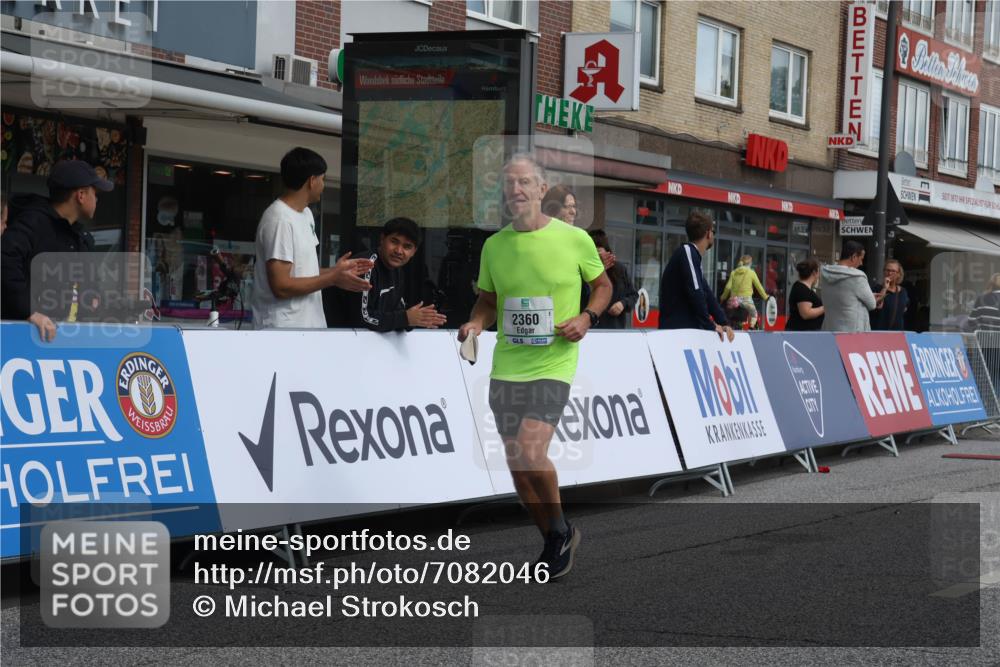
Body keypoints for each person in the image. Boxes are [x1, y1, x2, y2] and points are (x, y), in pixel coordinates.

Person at [458, 153, 611, 580]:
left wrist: (587, 318)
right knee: (517, 467)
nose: (516, 190)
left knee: (530, 450)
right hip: (508, 363)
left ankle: (559, 530)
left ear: (543, 190)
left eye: (525, 182)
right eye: (509, 184)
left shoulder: (574, 238)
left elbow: (602, 286)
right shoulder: (495, 246)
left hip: (554, 361)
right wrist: (475, 322)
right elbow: (488, 301)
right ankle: (555, 537)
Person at [252, 147, 372, 329]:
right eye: (323, 179)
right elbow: (281, 286)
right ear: (312, 181)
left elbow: (303, 273)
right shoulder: (279, 219)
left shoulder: (306, 214)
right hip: (282, 331)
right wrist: (333, 278)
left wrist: (336, 271)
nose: (323, 185)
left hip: (308, 327)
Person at [1, 160, 112, 342]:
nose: (97, 199)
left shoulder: (80, 236)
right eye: (95, 192)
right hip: (24, 341)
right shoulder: (33, 223)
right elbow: (4, 260)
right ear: (81, 195)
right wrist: (28, 311)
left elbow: (88, 288)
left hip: (64, 340)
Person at [342, 217, 447, 332]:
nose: (398, 251)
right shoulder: (365, 266)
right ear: (382, 239)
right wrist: (405, 318)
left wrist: (416, 319)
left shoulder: (397, 270)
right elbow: (362, 318)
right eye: (394, 242)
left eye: (407, 247)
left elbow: (395, 312)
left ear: (414, 252)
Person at [657, 211, 734, 342]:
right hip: (676, 333)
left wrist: (724, 322)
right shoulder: (687, 251)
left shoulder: (693, 257)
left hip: (685, 331)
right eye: (713, 232)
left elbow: (707, 294)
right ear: (709, 233)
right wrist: (709, 324)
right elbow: (696, 292)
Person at [820, 240, 876, 333]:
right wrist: (873, 297)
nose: (861, 263)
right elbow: (872, 304)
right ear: (854, 257)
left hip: (830, 329)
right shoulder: (857, 277)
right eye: (861, 258)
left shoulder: (826, 274)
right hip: (852, 333)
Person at [586, 229, 638, 329]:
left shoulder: (619, 269)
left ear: (607, 251)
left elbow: (633, 295)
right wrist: (600, 272)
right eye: (593, 253)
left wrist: (623, 304)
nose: (597, 257)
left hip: (615, 329)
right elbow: (584, 297)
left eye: (599, 252)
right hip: (590, 329)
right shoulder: (583, 271)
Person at [719, 254, 769, 328]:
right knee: (754, 314)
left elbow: (728, 287)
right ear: (750, 263)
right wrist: (765, 297)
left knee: (731, 316)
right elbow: (759, 287)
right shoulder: (751, 272)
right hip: (747, 300)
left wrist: (723, 297)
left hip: (734, 300)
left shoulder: (734, 272)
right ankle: (752, 327)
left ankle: (734, 325)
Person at [786, 258, 825, 331]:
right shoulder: (802, 289)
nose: (818, 276)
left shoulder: (803, 288)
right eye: (818, 272)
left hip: (805, 333)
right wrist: (824, 308)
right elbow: (806, 313)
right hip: (801, 334)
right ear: (814, 272)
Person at [870, 259, 909, 331]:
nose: (889, 273)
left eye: (893, 271)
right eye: (887, 270)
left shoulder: (903, 292)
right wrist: (884, 288)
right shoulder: (876, 289)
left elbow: (904, 309)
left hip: (897, 333)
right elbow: (875, 306)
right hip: (879, 332)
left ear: (898, 274)